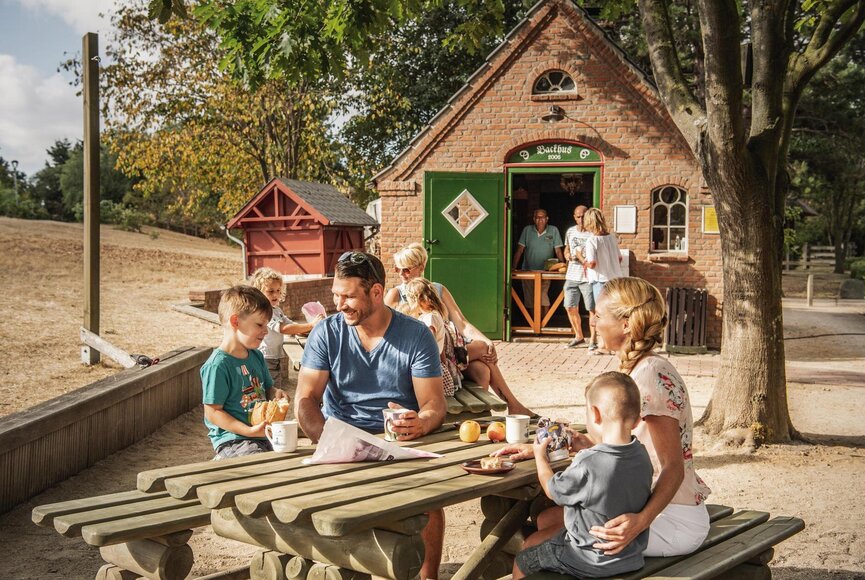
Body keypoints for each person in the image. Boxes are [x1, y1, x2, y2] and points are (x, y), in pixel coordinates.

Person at [496, 277, 712, 558]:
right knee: (545, 519)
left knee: (534, 545)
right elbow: (616, 449)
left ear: (625, 324)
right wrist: (541, 449)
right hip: (639, 503)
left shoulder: (651, 376)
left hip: (671, 518)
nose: (593, 321)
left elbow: (673, 467)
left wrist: (640, 523)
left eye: (598, 314)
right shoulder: (640, 369)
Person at [295, 251, 447, 580]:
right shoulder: (326, 333)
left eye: (348, 296)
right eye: (336, 295)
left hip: (397, 443)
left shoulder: (416, 335)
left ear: (376, 292)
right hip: (339, 444)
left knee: (431, 497)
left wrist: (420, 422)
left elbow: (434, 404)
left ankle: (428, 577)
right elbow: (305, 399)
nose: (339, 304)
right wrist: (327, 439)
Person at [513, 372, 653, 579]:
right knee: (546, 524)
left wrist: (539, 456)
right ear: (637, 420)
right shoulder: (641, 454)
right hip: (630, 556)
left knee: (523, 560)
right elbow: (612, 467)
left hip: (587, 558)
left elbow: (552, 490)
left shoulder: (588, 462)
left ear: (595, 414)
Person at [384, 243, 533, 416]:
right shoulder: (396, 294)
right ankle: (513, 405)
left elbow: (461, 323)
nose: (402, 275)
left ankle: (476, 419)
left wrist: (486, 339)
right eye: (398, 269)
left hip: (448, 351)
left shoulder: (437, 289)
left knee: (482, 369)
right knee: (483, 358)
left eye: (406, 270)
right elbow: (388, 332)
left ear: (421, 267)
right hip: (428, 356)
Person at [201, 285, 288, 459]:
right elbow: (213, 412)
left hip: (261, 434)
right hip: (233, 440)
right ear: (235, 322)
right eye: (260, 324)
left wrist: (276, 394)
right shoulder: (218, 365)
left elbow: (268, 389)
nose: (265, 331)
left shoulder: (256, 356)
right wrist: (248, 431)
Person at [250, 267, 324, 392]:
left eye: (278, 290)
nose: (275, 294)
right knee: (269, 391)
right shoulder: (264, 311)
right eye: (270, 291)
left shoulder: (276, 310)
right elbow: (283, 328)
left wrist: (310, 329)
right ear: (259, 292)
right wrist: (311, 325)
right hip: (265, 358)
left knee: (275, 389)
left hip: (274, 358)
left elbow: (291, 325)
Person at [399, 277, 462, 396]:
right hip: (436, 365)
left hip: (429, 369)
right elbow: (440, 349)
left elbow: (429, 344)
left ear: (417, 299)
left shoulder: (429, 318)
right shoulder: (433, 315)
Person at [583, 207, 623, 354]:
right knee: (614, 313)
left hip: (600, 280)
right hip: (615, 279)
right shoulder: (611, 238)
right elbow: (619, 258)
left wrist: (583, 260)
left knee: (601, 314)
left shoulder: (592, 241)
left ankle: (603, 346)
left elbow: (592, 263)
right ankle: (614, 345)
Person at [512, 209, 565, 319]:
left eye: (542, 217)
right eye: (537, 217)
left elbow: (558, 251)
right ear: (534, 219)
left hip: (546, 271)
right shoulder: (527, 230)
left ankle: (543, 323)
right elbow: (520, 250)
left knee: (543, 296)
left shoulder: (553, 230)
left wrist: (564, 265)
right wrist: (513, 267)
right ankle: (536, 323)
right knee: (530, 298)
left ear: (547, 219)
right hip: (528, 271)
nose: (540, 220)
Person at [563, 205, 595, 348]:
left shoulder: (593, 233)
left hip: (587, 277)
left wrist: (582, 258)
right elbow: (567, 249)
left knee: (591, 309)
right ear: (574, 217)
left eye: (583, 216)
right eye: (578, 216)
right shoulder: (570, 232)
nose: (580, 219)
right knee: (570, 306)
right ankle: (579, 336)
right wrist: (568, 255)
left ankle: (593, 340)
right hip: (571, 275)